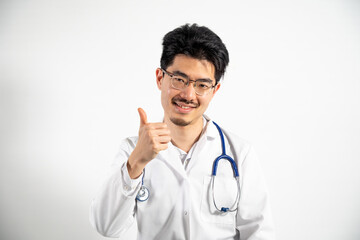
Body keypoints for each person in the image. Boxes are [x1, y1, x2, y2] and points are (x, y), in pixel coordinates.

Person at [89, 23, 275, 240]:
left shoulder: (240, 153)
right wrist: (136, 163)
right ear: (160, 78)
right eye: (179, 80)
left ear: (214, 90)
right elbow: (105, 226)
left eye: (202, 85)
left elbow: (259, 232)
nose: (188, 94)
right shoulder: (132, 149)